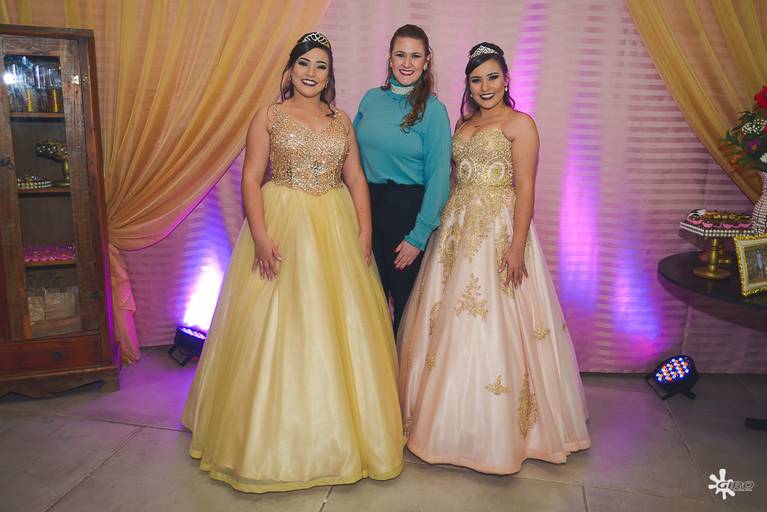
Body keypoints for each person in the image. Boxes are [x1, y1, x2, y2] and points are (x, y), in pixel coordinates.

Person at [182, 32, 404, 493]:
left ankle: (342, 436)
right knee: (274, 324)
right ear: (290, 69)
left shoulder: (342, 120)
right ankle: (265, 436)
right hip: (281, 220)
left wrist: (364, 230)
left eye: (321, 66)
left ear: (329, 75)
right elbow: (250, 177)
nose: (311, 73)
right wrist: (261, 235)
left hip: (336, 224)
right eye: (304, 63)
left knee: (339, 326)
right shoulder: (268, 116)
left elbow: (356, 178)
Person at [398, 42, 591, 475]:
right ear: (468, 85)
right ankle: (441, 420)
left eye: (492, 77)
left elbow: (526, 188)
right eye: (476, 79)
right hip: (456, 228)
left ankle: (503, 433)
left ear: (506, 80)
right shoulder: (463, 123)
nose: (484, 86)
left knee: (496, 320)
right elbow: (451, 178)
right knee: (444, 320)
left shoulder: (521, 124)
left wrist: (516, 245)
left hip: (498, 228)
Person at [353, 24, 452, 333]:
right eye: (400, 55)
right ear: (390, 58)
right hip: (365, 207)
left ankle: (401, 366)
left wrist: (417, 237)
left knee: (406, 311)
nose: (407, 63)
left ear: (427, 60)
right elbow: (350, 158)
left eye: (415, 56)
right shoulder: (371, 99)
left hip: (407, 213)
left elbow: (439, 177)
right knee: (366, 303)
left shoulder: (434, 111)